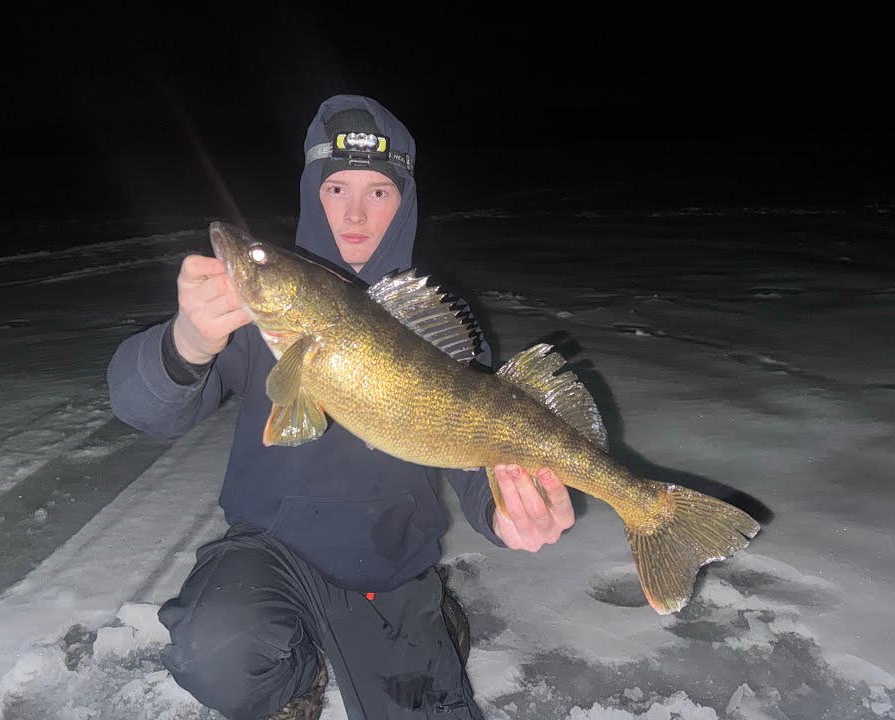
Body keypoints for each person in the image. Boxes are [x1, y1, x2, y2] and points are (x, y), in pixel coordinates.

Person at [106, 94, 575, 720]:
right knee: (217, 650)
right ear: (311, 195)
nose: (355, 214)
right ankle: (299, 674)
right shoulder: (252, 326)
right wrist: (186, 343)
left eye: (379, 192)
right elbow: (144, 409)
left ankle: (435, 618)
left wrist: (508, 509)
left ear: (404, 203)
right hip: (269, 551)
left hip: (391, 566)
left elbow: (475, 451)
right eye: (336, 190)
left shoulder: (435, 326)